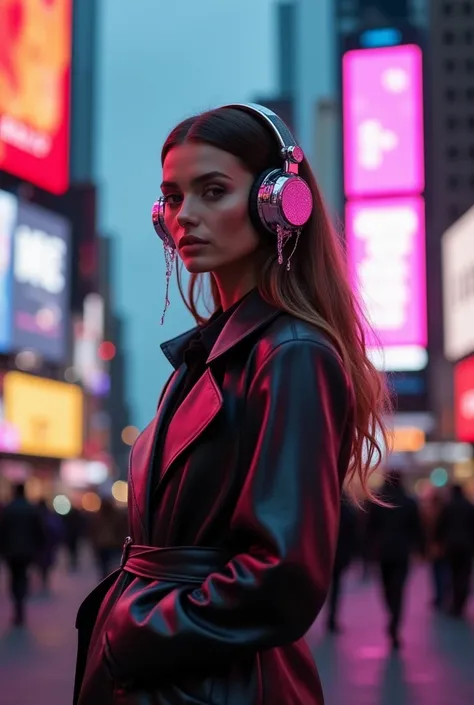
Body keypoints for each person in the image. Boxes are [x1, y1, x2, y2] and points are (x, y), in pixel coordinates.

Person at [74, 103, 390, 705]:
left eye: (212, 191)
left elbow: (282, 579)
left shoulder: (293, 352)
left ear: (278, 201)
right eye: (171, 198)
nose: (183, 216)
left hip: (218, 683)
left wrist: (131, 634)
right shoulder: (211, 352)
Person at [367, 470, 423, 650]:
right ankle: (395, 621)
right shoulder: (409, 502)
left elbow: (370, 528)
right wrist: (420, 549)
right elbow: (416, 528)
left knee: (386, 587)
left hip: (383, 552)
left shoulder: (378, 502)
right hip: (402, 552)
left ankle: (392, 615)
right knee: (398, 588)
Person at [0, 483, 45, 626]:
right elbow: (38, 530)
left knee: (14, 577)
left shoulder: (8, 509)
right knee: (22, 576)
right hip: (27, 551)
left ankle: (17, 604)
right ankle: (21, 602)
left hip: (11, 551)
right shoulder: (31, 509)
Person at [436, 484, 474, 618]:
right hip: (467, 547)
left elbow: (441, 526)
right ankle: (461, 603)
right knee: (464, 575)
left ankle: (453, 603)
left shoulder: (449, 507)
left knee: (452, 574)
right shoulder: (469, 506)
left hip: (451, 547)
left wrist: (438, 541)